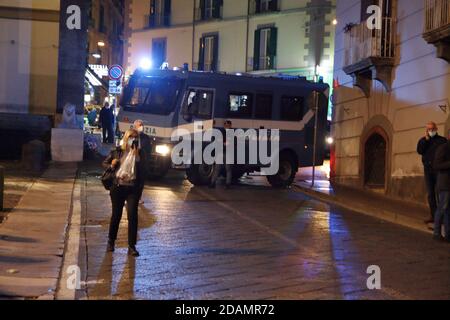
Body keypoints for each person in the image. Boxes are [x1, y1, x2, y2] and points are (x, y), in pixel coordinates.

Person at [103, 129, 146, 257]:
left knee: (132, 216)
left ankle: (132, 246)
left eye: (136, 137)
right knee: (116, 215)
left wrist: (137, 156)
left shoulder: (140, 153)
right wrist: (111, 165)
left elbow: (144, 171)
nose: (133, 139)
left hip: (132, 189)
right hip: (118, 187)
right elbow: (104, 163)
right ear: (126, 138)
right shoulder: (118, 151)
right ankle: (111, 242)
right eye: (131, 137)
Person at [417, 122, 447, 224]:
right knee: (430, 194)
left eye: (432, 129)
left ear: (436, 129)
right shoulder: (423, 140)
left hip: (439, 171)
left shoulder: (442, 140)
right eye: (429, 129)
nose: (431, 131)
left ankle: (441, 216)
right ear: (426, 130)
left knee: (440, 193)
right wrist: (426, 140)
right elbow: (420, 151)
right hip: (428, 170)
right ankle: (433, 215)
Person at [433, 133, 450, 242]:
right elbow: (437, 165)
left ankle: (448, 235)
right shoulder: (443, 148)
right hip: (445, 183)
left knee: (448, 210)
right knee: (442, 208)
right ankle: (437, 233)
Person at [210, 120, 234, 189]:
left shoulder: (230, 133)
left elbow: (230, 143)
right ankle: (213, 183)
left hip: (227, 153)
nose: (226, 126)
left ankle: (227, 184)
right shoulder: (223, 132)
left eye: (227, 125)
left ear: (230, 125)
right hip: (222, 153)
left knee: (227, 169)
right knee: (218, 169)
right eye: (225, 125)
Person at [133, 120, 152, 204]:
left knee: (141, 182)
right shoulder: (131, 135)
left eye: (141, 125)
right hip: (132, 162)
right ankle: (129, 197)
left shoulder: (146, 137)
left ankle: (138, 197)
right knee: (132, 181)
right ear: (134, 126)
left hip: (142, 162)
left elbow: (148, 150)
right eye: (139, 125)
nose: (140, 127)